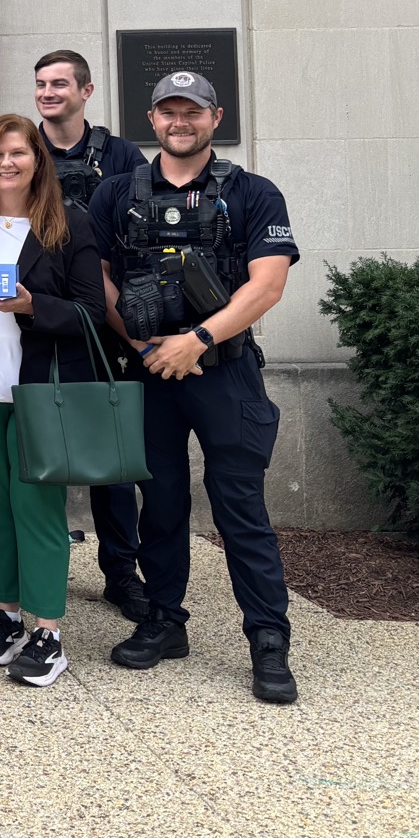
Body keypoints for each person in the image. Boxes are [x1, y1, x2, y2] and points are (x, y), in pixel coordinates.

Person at [90, 72, 300, 705]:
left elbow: (267, 284)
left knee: (240, 507)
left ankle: (268, 638)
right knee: (159, 503)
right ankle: (164, 620)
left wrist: (197, 341)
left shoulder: (253, 192)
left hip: (224, 370)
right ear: (152, 119)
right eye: (168, 112)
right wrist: (143, 346)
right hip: (149, 369)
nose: (180, 122)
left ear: (216, 118)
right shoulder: (115, 193)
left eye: (193, 112)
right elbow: (99, 278)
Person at [0, 116, 108, 688]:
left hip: (39, 393)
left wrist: (32, 305)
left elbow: (91, 312)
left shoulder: (68, 223)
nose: (7, 163)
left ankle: (48, 633)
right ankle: (8, 616)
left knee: (36, 510)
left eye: (19, 152)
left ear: (38, 159)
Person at [33, 48, 151, 624]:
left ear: (86, 91)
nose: (48, 93)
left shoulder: (122, 156)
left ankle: (121, 572)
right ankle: (35, 573)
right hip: (37, 323)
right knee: (36, 454)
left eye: (60, 83)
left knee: (112, 459)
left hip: (106, 324)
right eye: (41, 84)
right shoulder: (22, 151)